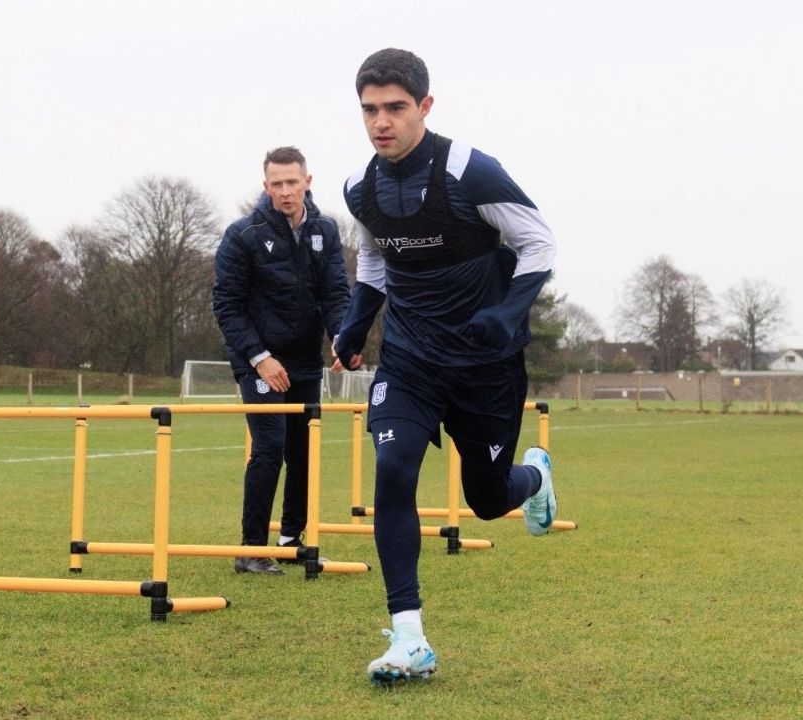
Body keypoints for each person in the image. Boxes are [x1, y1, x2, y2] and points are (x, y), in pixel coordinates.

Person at [332, 49, 559, 685]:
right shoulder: (359, 189)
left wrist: (508, 313)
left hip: (485, 365)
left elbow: (539, 241)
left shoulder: (471, 172)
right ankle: (409, 638)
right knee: (393, 465)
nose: (381, 122)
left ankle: (534, 478)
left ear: (425, 107)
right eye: (370, 110)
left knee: (486, 501)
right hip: (410, 359)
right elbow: (376, 262)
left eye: (395, 108)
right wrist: (356, 322)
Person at [213, 146, 351, 575]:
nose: (286, 191)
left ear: (308, 182)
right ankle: (250, 549)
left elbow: (336, 294)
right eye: (277, 184)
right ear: (266, 186)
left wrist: (344, 336)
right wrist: (259, 358)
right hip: (258, 360)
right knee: (269, 447)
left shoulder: (326, 231)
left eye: (293, 182)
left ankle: (292, 539)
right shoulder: (244, 234)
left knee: (303, 451)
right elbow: (227, 305)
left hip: (304, 359)